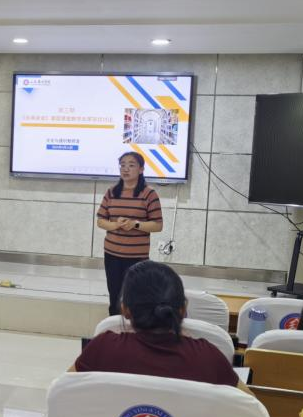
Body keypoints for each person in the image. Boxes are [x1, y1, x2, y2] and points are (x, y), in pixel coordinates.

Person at [71, 261, 248, 391]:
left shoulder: (102, 348)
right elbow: (253, 411)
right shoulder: (209, 358)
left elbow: (63, 394)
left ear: (125, 310)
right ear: (183, 310)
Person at [97, 152, 163, 316]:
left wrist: (136, 224)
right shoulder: (112, 192)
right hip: (112, 254)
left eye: (131, 165)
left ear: (141, 169)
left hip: (136, 257)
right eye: (122, 165)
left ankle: (135, 329)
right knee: (114, 296)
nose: (125, 169)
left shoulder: (149, 194)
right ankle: (115, 326)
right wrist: (115, 225)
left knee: (135, 297)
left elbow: (157, 225)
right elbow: (101, 221)